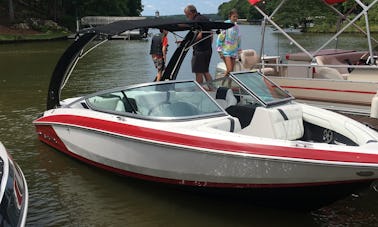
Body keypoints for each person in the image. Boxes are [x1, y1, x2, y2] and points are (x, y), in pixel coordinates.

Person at [184, 5, 213, 84]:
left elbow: (199, 36)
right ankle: (212, 88)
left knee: (198, 72)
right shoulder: (205, 19)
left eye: (187, 15)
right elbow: (211, 34)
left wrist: (188, 43)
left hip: (200, 50)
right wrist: (209, 45)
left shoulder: (196, 21)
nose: (187, 17)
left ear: (192, 13)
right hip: (208, 49)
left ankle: (199, 91)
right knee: (205, 71)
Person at [216, 9, 241, 78]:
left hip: (234, 50)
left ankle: (228, 86)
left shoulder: (237, 26)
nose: (236, 18)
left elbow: (238, 38)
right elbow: (219, 38)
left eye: (236, 17)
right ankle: (222, 84)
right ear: (230, 17)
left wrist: (239, 49)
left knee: (231, 72)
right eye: (234, 16)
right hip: (226, 51)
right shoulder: (225, 25)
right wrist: (219, 51)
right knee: (229, 70)